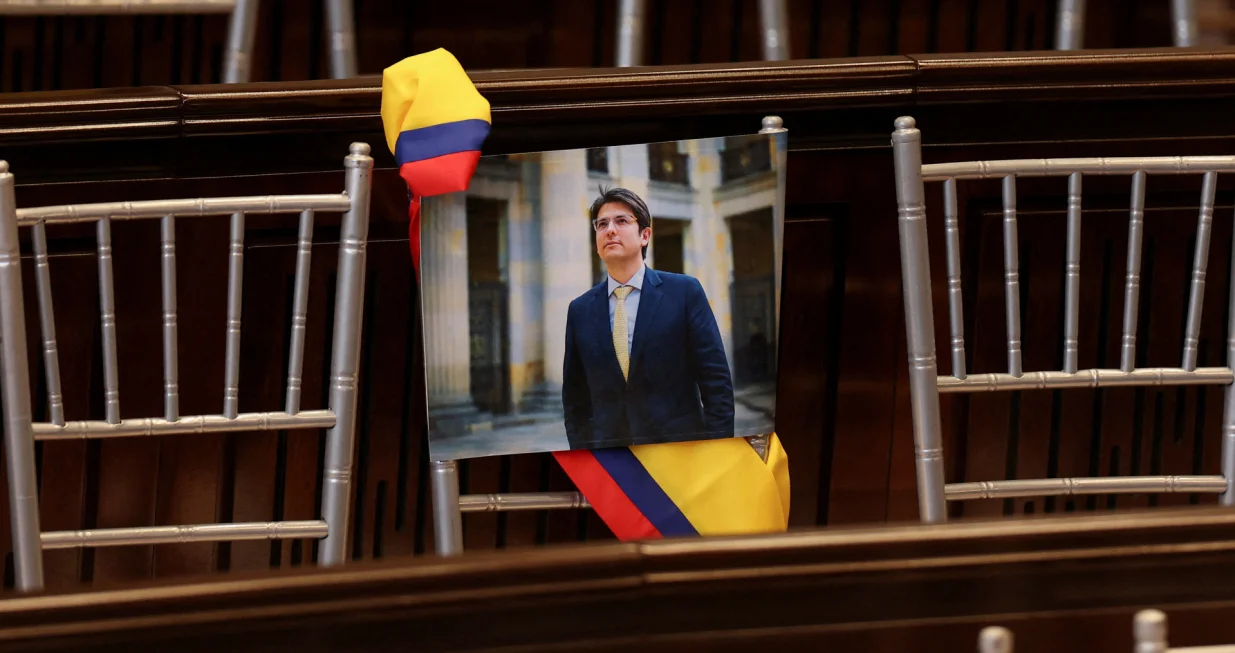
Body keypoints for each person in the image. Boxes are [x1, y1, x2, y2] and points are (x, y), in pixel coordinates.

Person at [561, 187, 734, 449]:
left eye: (621, 221)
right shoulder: (579, 310)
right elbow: (574, 399)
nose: (610, 230)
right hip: (612, 461)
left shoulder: (684, 292)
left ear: (645, 235)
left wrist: (717, 453)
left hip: (680, 455)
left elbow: (716, 383)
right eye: (601, 224)